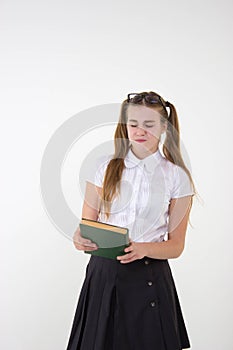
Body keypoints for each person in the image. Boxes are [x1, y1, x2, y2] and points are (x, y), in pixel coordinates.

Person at [66, 91, 195, 350]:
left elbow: (176, 246)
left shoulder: (176, 177)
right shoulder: (102, 166)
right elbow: (86, 227)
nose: (139, 131)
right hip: (104, 275)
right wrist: (80, 238)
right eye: (133, 124)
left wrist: (142, 249)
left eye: (149, 125)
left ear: (164, 127)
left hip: (149, 275)